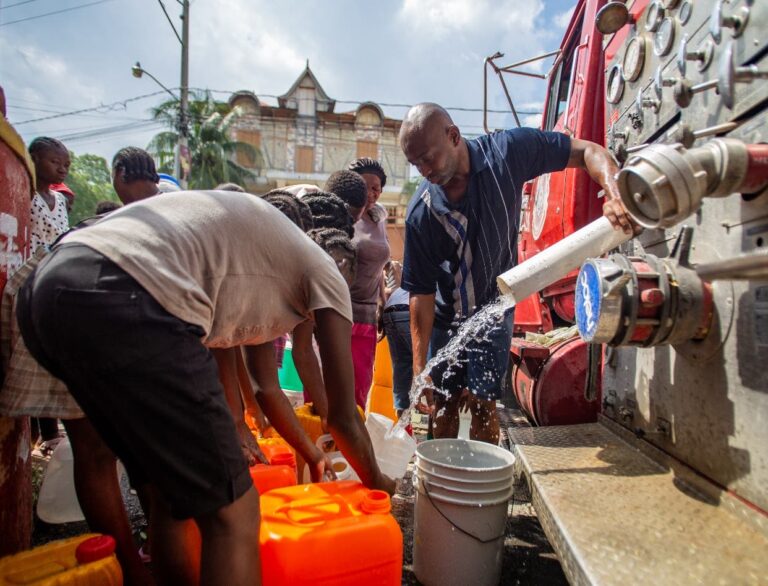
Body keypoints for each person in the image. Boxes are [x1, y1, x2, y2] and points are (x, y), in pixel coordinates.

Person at [17, 190, 394, 585]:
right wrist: (382, 485)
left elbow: (249, 376)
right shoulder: (327, 271)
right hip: (124, 289)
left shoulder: (263, 258)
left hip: (46, 291)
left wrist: (298, 449)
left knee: (173, 494)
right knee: (234, 509)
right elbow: (343, 418)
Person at [399, 103, 633, 444]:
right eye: (415, 163)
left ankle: (481, 482)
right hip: (446, 317)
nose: (423, 170)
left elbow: (588, 152)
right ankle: (442, 483)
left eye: (427, 158)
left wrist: (616, 194)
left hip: (494, 310)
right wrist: (420, 370)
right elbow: (420, 293)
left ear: (453, 136)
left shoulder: (507, 154)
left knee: (483, 405)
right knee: (444, 405)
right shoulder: (422, 212)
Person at [27, 137, 71, 459]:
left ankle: (50, 432)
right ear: (35, 157)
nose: (61, 168)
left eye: (66, 165)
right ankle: (39, 433)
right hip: (27, 277)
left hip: (54, 278)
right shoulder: (25, 192)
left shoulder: (58, 199)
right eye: (55, 162)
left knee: (51, 357)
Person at [346, 159, 391, 410]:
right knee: (331, 384)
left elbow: (381, 267)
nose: (372, 193)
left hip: (367, 315)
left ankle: (350, 446)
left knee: (361, 386)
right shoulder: (342, 214)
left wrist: (383, 303)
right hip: (340, 312)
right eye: (366, 186)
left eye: (377, 188)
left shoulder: (379, 218)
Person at [381, 260, 412, 419]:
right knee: (432, 371)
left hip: (391, 310)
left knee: (401, 366)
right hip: (409, 310)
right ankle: (433, 437)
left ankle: (402, 427)